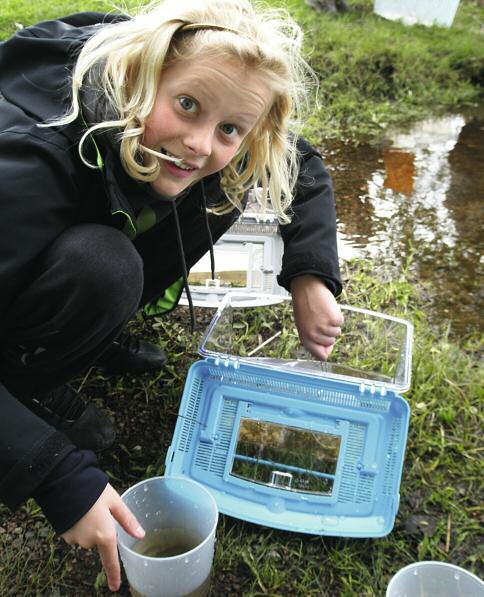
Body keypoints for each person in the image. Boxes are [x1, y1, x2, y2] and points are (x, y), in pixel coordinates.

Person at [0, 0, 343, 591]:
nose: (199, 143)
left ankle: (93, 327)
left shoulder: (203, 124)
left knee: (226, 177)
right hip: (23, 237)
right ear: (140, 75)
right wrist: (53, 473)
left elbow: (297, 159)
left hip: (81, 214)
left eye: (229, 127)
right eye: (187, 105)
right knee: (102, 265)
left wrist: (310, 274)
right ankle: (26, 383)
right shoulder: (35, 159)